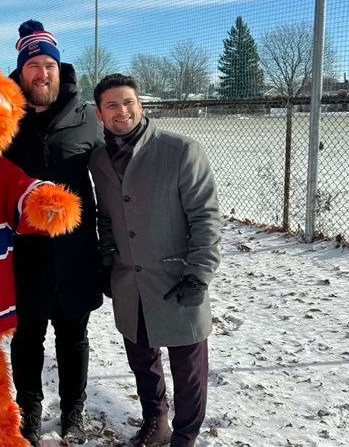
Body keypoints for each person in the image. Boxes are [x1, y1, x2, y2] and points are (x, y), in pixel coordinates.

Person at [89, 73, 221, 447]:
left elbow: (206, 217)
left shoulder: (180, 150)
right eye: (111, 105)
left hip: (177, 278)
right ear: (99, 114)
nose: (122, 111)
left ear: (140, 104)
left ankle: (184, 436)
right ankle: (156, 422)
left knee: (189, 368)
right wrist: (105, 259)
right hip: (130, 280)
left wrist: (199, 273)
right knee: (142, 361)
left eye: (128, 102)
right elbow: (107, 216)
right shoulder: (99, 159)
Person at [4, 19, 103, 446]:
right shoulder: (3, 118)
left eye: (48, 64)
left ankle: (73, 410)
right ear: (21, 71)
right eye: (33, 66)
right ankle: (28, 408)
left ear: (59, 69)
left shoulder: (87, 119)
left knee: (73, 335)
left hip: (75, 252)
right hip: (24, 252)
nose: (41, 73)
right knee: (27, 336)